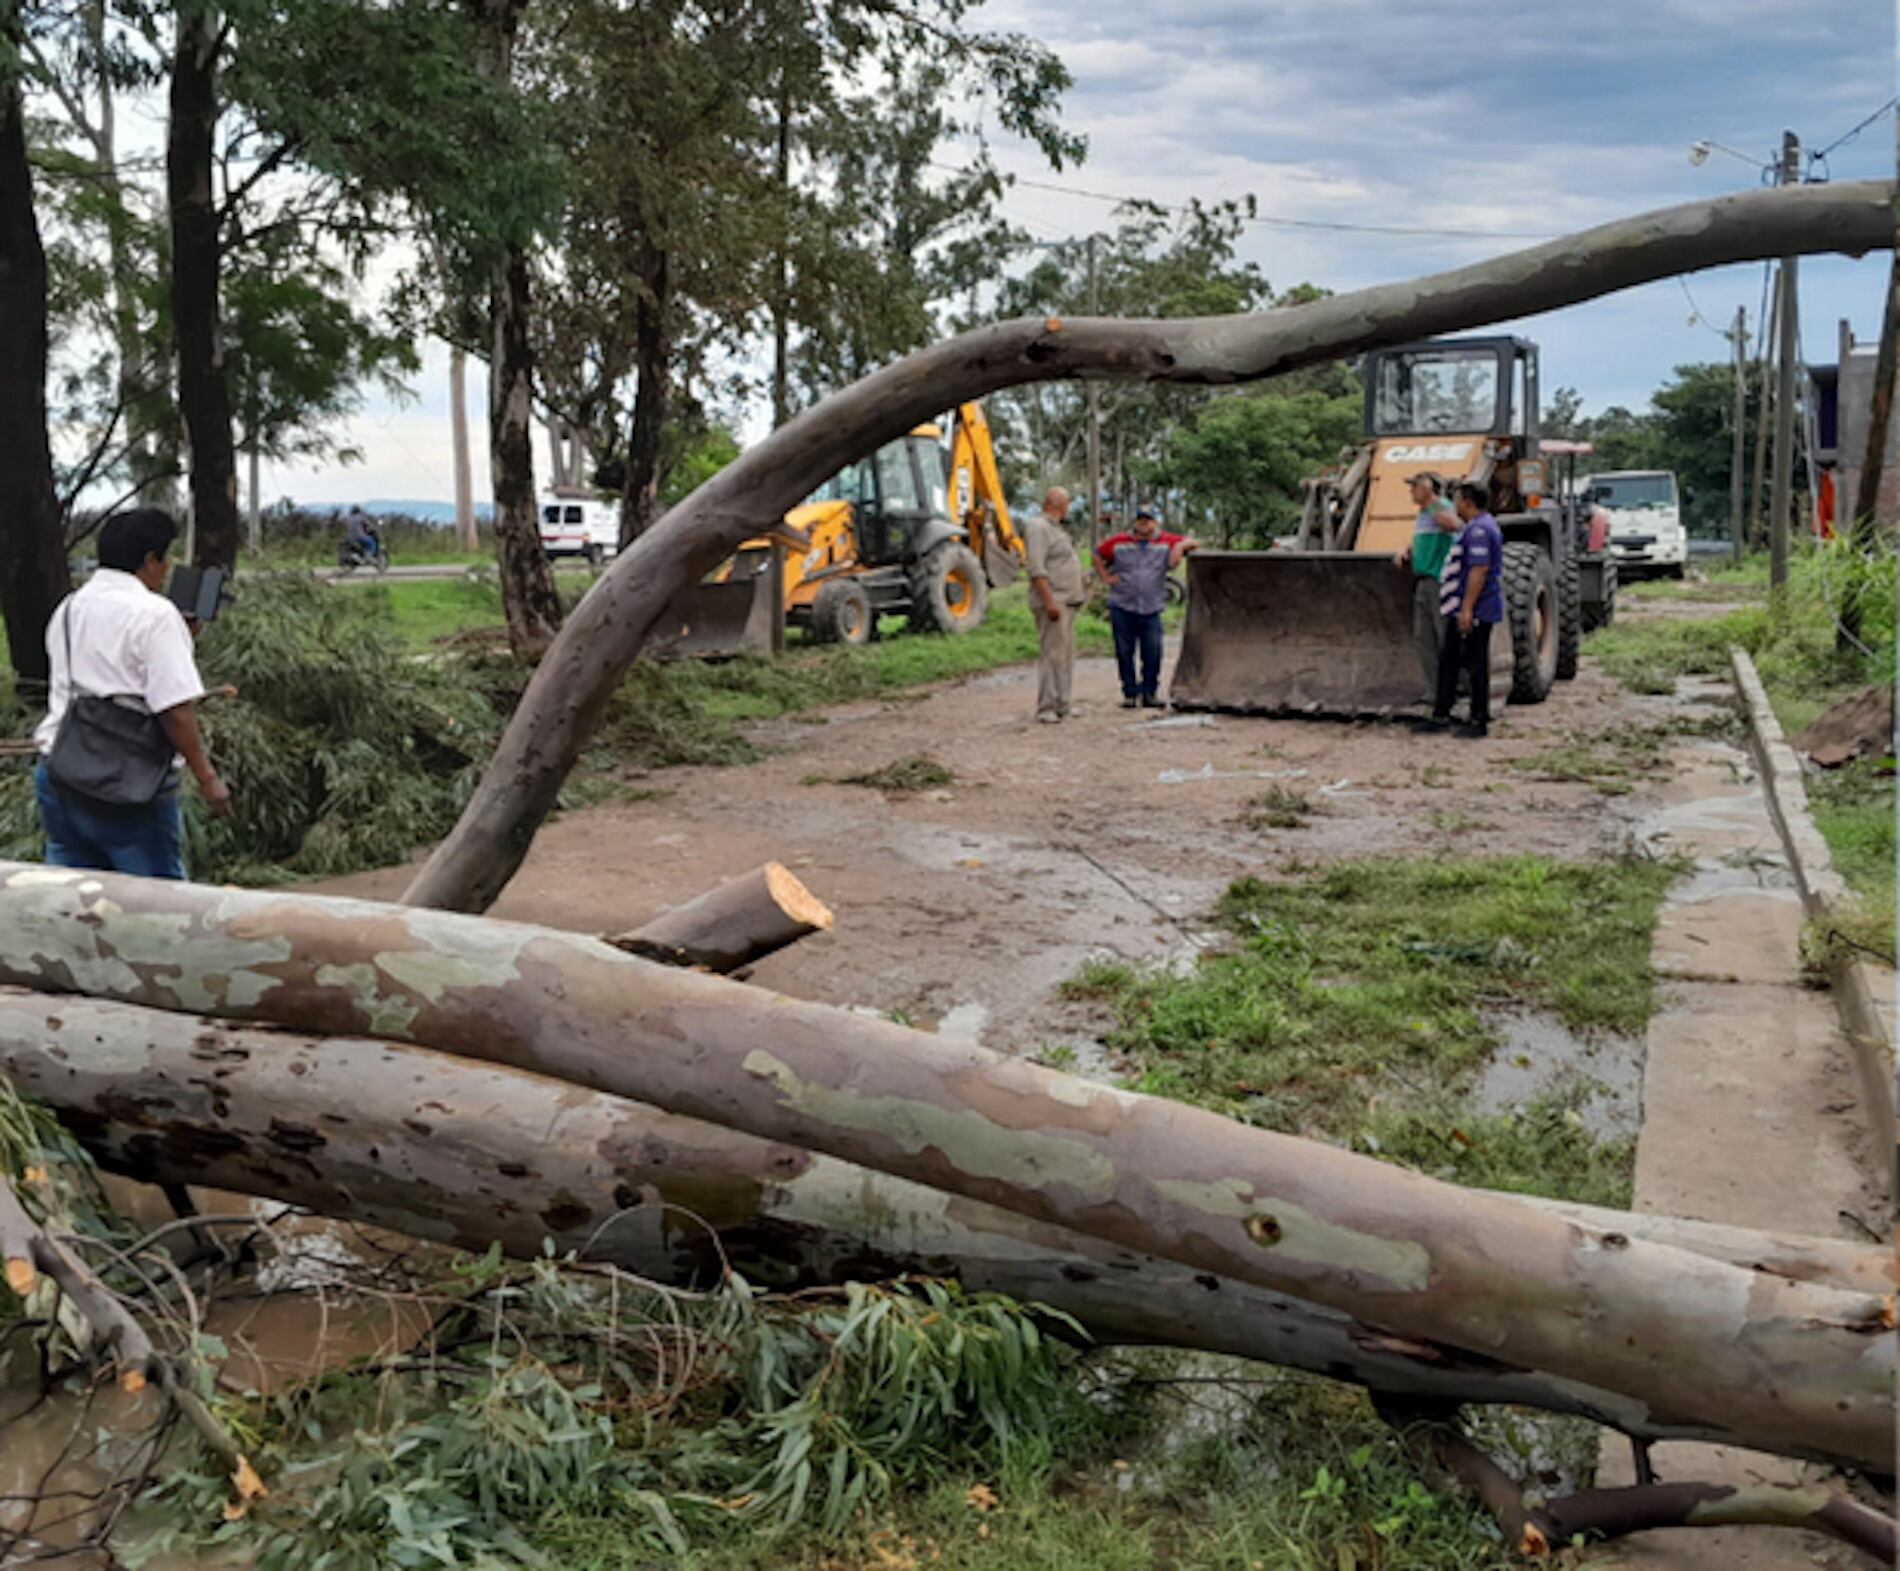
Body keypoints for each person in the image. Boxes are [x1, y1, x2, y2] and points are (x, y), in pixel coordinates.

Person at [34, 509, 232, 879]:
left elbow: (102, 668)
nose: (168, 568)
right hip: (130, 785)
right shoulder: (156, 615)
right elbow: (175, 711)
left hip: (61, 772)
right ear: (150, 560)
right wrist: (208, 779)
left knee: (73, 897)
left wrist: (179, 638)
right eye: (166, 558)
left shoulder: (69, 607)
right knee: (154, 902)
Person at [1421, 482, 1504, 739]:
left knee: (1475, 664)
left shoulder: (1479, 531)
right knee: (1450, 659)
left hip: (1475, 608)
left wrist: (1467, 609)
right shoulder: (1475, 527)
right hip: (1463, 606)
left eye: (1457, 500)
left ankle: (1478, 719)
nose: (1454, 505)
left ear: (1468, 503)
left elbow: (1479, 571)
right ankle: (1442, 714)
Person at [1096, 508, 1200, 708]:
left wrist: (1179, 547)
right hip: (1122, 605)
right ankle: (1129, 694)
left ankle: (1149, 693)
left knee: (1153, 652)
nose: (1144, 524)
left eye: (1148, 520)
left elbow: (1194, 543)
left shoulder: (1165, 541)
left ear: (1155, 523)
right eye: (1141, 520)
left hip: (1151, 607)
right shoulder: (1119, 542)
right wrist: (1105, 577)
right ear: (1135, 523)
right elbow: (1097, 554)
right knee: (1124, 652)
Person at [1020, 486, 1087, 724]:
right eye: (1066, 503)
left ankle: (1063, 703)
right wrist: (1049, 601)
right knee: (1052, 654)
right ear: (1055, 504)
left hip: (1068, 600)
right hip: (1054, 600)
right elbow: (1036, 568)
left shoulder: (1057, 529)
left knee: (1066, 654)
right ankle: (1046, 706)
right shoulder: (1038, 527)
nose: (1068, 508)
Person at [1407, 473, 1457, 692]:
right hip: (1424, 580)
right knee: (1423, 638)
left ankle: (1453, 688)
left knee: (1444, 636)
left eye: (1415, 487)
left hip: (1439, 581)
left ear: (1427, 488)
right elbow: (1425, 537)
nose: (1411, 492)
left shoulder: (1441, 507)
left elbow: (1454, 526)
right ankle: (1436, 691)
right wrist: (1409, 550)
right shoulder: (1423, 513)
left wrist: (1432, 502)